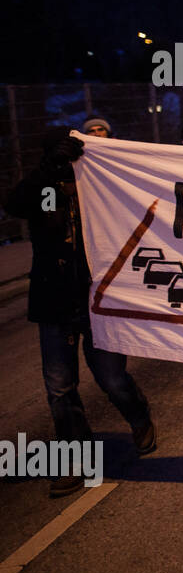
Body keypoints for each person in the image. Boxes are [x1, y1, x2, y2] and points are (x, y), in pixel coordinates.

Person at [5, 126, 156, 497]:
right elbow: (17, 205)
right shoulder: (48, 192)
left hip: (99, 300)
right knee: (60, 388)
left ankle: (138, 415)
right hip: (55, 302)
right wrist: (48, 172)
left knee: (112, 378)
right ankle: (75, 461)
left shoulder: (103, 190)